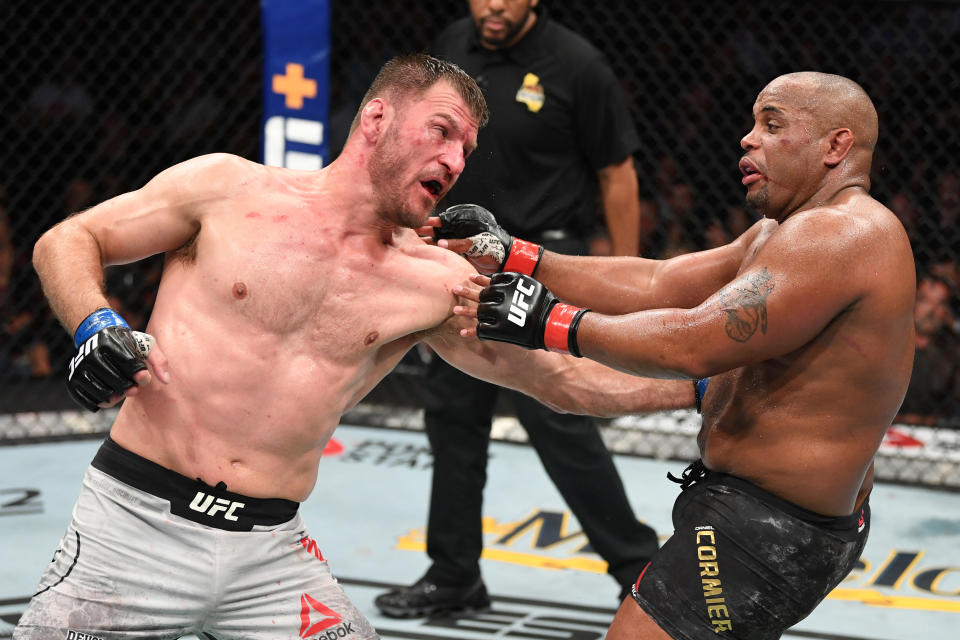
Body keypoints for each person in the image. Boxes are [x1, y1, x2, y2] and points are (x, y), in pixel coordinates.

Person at [15, 53, 693, 640]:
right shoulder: (226, 189)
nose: (456, 161)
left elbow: (564, 383)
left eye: (466, 150)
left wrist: (702, 387)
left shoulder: (436, 282)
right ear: (375, 120)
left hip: (268, 555)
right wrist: (94, 325)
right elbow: (68, 240)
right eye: (442, 131)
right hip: (133, 525)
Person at [436, 71, 916, 639]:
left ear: (836, 146)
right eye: (753, 122)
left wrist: (551, 322)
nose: (748, 138)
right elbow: (658, 281)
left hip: (768, 530)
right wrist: (514, 254)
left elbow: (695, 342)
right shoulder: (782, 231)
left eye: (773, 124)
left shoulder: (842, 235)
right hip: (756, 515)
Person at [374, 0, 653, 618]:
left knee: (561, 420)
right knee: (452, 418)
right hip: (464, 259)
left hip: (543, 263)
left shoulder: (577, 65)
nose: (493, 4)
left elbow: (618, 172)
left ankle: (642, 574)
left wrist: (616, 278)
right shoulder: (453, 43)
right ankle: (453, 576)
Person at [897, 273, 960, 426]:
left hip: (938, 433)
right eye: (925, 301)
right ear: (912, 303)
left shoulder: (953, 352)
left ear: (947, 312)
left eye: (940, 303)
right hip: (884, 430)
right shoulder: (890, 345)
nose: (932, 311)